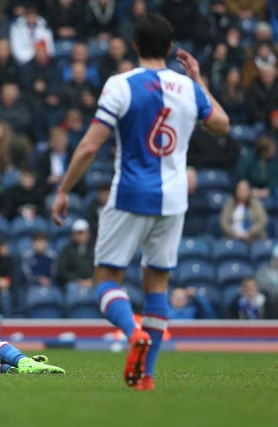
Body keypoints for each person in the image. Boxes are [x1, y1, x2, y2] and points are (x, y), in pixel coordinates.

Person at [50, 13, 230, 391]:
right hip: (174, 201)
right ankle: (145, 376)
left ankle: (132, 332)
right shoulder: (187, 88)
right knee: (157, 289)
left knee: (106, 282)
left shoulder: (120, 85)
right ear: (169, 48)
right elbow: (222, 125)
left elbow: (88, 146)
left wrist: (64, 189)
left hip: (129, 195)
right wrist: (198, 79)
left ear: (135, 46)